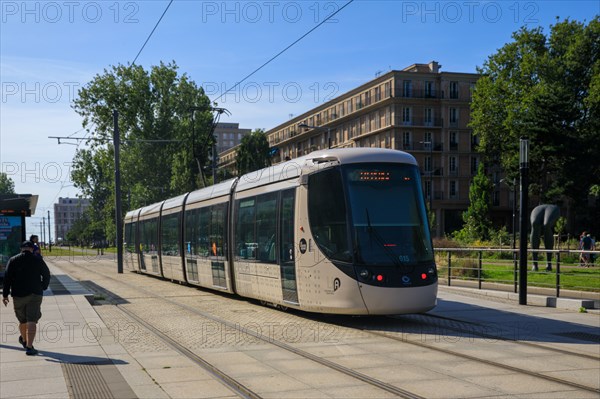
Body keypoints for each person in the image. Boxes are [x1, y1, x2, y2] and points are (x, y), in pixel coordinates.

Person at [2, 241, 51, 355]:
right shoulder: (38, 260)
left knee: (22, 320)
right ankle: (29, 347)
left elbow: (7, 279)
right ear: (31, 249)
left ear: (21, 249)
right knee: (32, 320)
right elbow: (47, 274)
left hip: (18, 295)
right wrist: (43, 286)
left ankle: (24, 340)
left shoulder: (13, 260)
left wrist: (5, 295)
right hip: (35, 294)